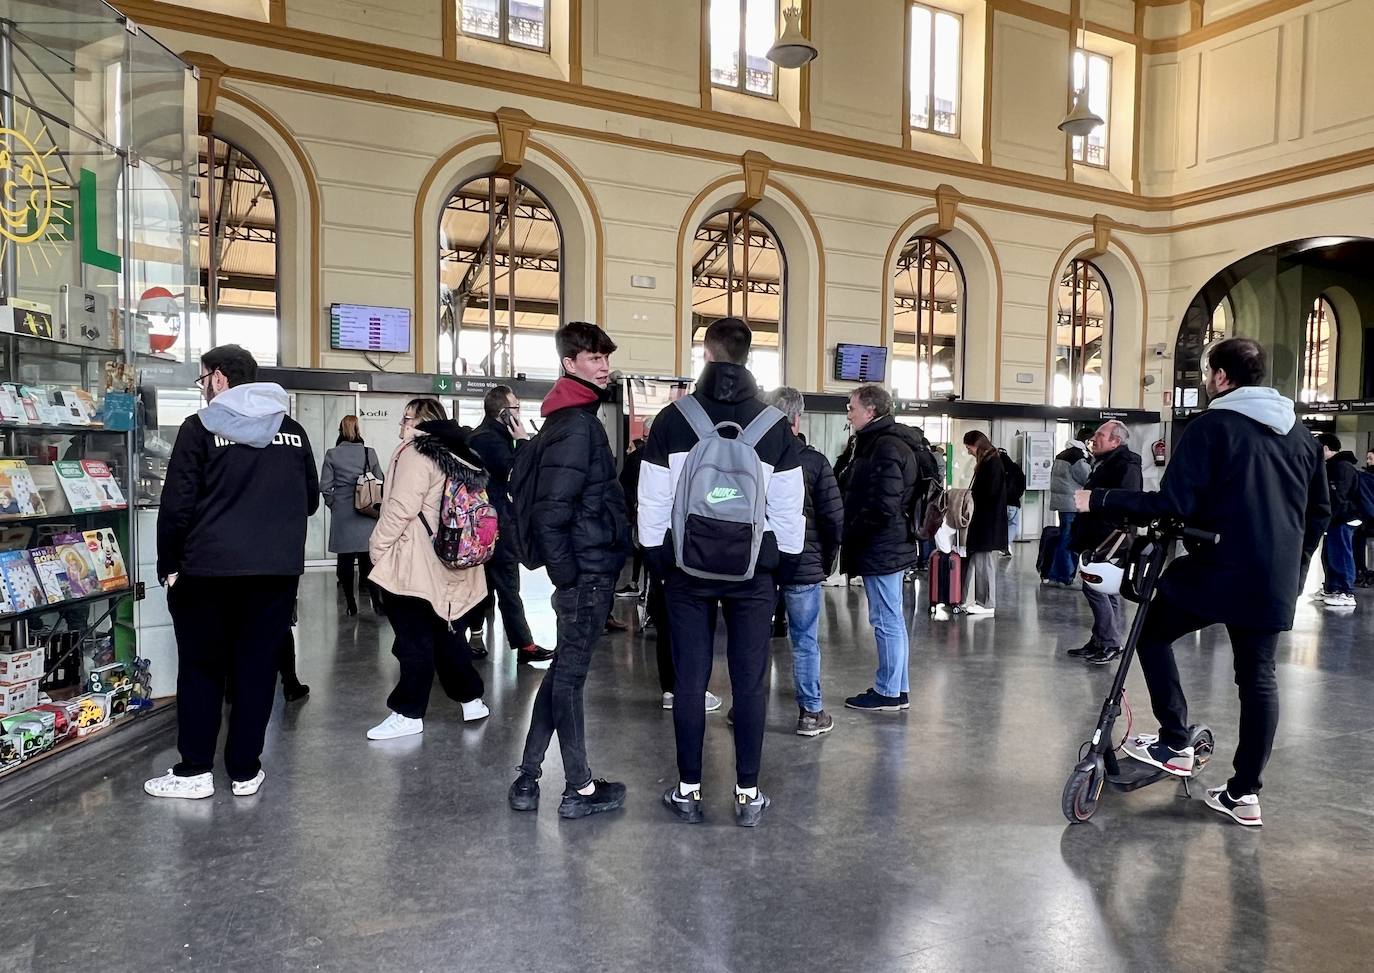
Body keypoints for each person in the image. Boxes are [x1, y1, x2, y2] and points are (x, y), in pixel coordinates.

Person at [1075, 337, 1329, 827]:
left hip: (1216, 569)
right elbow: (1319, 512)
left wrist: (1100, 500)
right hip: (1271, 579)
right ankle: (1244, 794)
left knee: (1150, 633)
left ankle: (1175, 741)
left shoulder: (1212, 427)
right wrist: (1295, 567)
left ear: (1219, 377)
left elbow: (1174, 504)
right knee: (1258, 679)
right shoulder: (1301, 436)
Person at [639, 317, 804, 827]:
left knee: (689, 680)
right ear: (748, 357)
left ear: (706, 354)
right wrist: (779, 570)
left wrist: (661, 565)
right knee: (750, 682)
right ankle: (748, 794)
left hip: (686, 570)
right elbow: (789, 512)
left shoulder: (671, 420)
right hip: (753, 573)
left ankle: (689, 791)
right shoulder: (774, 426)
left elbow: (651, 505)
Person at [146, 344, 318, 800]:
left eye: (202, 380)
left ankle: (195, 772)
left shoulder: (199, 429)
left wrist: (168, 566)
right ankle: (244, 771)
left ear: (219, 378)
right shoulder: (293, 431)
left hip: (207, 572)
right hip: (275, 575)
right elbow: (312, 500)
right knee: (258, 670)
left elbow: (177, 507)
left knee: (202, 669)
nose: (203, 390)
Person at [508, 322, 631, 820]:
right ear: (568, 364)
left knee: (562, 674)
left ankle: (527, 777)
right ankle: (578, 788)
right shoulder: (579, 426)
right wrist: (570, 576)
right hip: (587, 574)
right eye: (593, 358)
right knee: (571, 680)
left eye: (605, 358)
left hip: (586, 571)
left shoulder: (567, 419)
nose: (603, 366)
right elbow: (551, 513)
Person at [365, 398, 490, 741]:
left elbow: (400, 508)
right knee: (446, 635)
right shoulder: (462, 453)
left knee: (413, 640)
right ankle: (471, 699)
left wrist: (377, 549)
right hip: (459, 559)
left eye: (406, 418)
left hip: (418, 562)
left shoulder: (416, 452)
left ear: (421, 422)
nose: (401, 425)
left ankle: (408, 713)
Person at [837, 385, 919, 712]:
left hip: (882, 547)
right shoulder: (880, 442)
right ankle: (898, 689)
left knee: (885, 620)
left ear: (870, 411)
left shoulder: (884, 447)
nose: (848, 413)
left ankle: (887, 691)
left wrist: (852, 530)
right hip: (889, 545)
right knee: (892, 619)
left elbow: (883, 505)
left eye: (851, 407)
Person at [769, 387, 843, 734]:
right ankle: (811, 713)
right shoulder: (814, 462)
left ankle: (745, 709)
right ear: (797, 418)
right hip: (803, 565)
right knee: (805, 641)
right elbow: (833, 519)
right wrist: (826, 561)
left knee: (750, 640)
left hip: (760, 566)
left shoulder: (753, 456)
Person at [465, 385, 553, 665]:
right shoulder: (489, 440)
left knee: (489, 586)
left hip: (486, 526)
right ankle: (522, 645)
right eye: (516, 408)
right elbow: (516, 474)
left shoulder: (485, 436)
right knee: (504, 586)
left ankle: (481, 638)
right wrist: (524, 441)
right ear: (504, 413)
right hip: (494, 527)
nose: (520, 412)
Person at [1068, 421, 1143, 663]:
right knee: (1105, 589)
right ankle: (1100, 639)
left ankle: (1110, 642)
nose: (1094, 438)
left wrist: (1093, 500)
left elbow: (1127, 499)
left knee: (1095, 587)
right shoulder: (1105, 461)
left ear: (1116, 441)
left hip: (1109, 537)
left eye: (1101, 434)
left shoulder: (1125, 464)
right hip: (1097, 533)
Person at [320, 415, 385, 616]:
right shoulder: (369, 453)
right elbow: (380, 480)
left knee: (345, 561)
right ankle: (376, 603)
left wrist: (335, 504)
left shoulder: (332, 454)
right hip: (366, 510)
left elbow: (325, 487)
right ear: (358, 430)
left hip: (342, 513)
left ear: (340, 430)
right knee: (369, 560)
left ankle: (350, 604)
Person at [959, 431, 1006, 616]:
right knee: (978, 560)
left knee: (984, 562)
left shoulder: (992, 462)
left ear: (976, 445)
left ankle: (987, 604)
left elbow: (990, 492)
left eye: (968, 447)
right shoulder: (990, 460)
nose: (968, 451)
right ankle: (975, 600)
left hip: (987, 521)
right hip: (985, 520)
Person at [1316, 433, 1360, 608]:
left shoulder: (1341, 467)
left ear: (1326, 448)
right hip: (1336, 519)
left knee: (1342, 553)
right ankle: (1333, 587)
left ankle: (1346, 591)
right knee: (1331, 553)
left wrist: (1328, 517)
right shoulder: (1334, 466)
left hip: (1343, 518)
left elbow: (1338, 496)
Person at [1046, 427, 1093, 587]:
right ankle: (1065, 577)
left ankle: (1055, 575)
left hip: (1063, 503)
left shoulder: (1062, 454)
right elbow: (1087, 477)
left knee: (1064, 538)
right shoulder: (1078, 457)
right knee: (1069, 541)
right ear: (1086, 441)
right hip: (1073, 503)